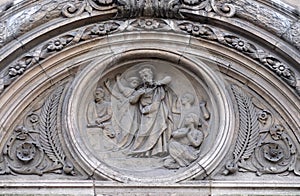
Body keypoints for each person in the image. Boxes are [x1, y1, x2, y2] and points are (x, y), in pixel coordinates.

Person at [129, 65, 174, 157]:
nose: (144, 78)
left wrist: (159, 83)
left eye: (146, 76)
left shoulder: (157, 86)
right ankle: (139, 150)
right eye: (143, 77)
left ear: (151, 76)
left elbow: (169, 78)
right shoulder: (141, 89)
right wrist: (139, 94)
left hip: (158, 111)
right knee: (143, 132)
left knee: (158, 129)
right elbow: (132, 100)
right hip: (146, 113)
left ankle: (156, 152)